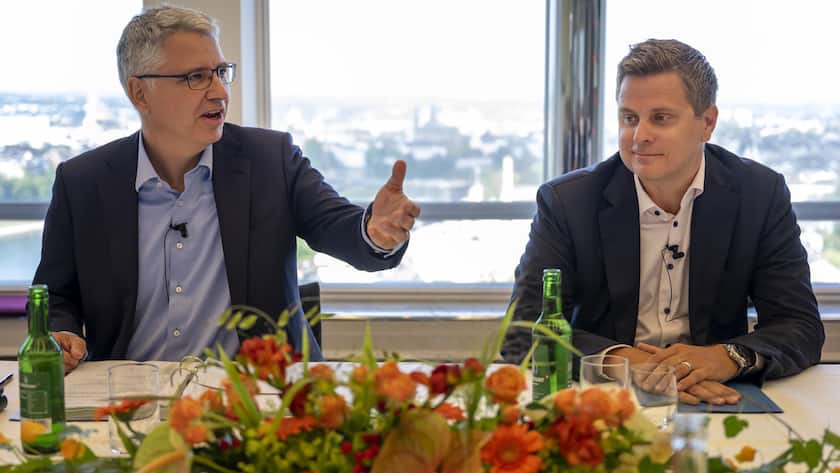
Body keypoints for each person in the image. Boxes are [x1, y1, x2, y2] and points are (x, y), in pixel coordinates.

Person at [33, 6, 420, 372]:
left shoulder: (271, 160)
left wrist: (375, 232)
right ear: (140, 93)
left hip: (259, 399)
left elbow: (346, 232)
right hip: (132, 401)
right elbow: (55, 296)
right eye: (196, 77)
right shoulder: (82, 182)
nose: (219, 91)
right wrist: (62, 331)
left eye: (221, 72)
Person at [502, 39, 824, 404]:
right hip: (605, 398)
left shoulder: (759, 195)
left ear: (707, 122)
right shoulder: (568, 202)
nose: (639, 136)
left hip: (719, 395)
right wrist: (628, 362)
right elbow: (522, 330)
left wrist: (725, 357)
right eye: (629, 118)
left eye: (661, 118)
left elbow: (799, 326)